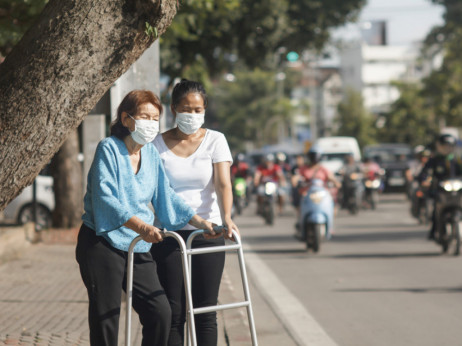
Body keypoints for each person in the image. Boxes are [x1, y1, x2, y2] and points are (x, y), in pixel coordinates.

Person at [75, 90, 216, 346]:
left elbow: (166, 196)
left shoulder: (151, 154)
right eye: (144, 116)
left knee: (160, 312)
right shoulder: (109, 148)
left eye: (155, 118)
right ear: (127, 119)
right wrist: (142, 225)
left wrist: (200, 222)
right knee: (107, 316)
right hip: (102, 240)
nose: (151, 123)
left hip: (137, 244)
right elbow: (105, 198)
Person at [150, 79, 238, 346]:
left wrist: (226, 218)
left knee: (205, 311)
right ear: (174, 108)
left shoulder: (215, 140)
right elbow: (156, 191)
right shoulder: (156, 144)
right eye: (186, 109)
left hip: (207, 234)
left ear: (205, 110)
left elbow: (223, 183)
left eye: (198, 110)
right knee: (174, 312)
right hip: (169, 236)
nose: (192, 115)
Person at [418, 133, 462, 240]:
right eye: (444, 146)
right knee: (435, 212)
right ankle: (434, 231)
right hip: (440, 191)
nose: (447, 148)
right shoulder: (435, 160)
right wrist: (424, 180)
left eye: (449, 146)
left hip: (457, 190)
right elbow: (424, 174)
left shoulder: (457, 159)